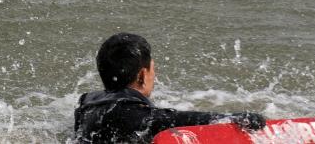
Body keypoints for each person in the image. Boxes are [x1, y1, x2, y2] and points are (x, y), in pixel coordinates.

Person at [74, 32, 266, 143]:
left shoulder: (86, 104)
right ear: (142, 75)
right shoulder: (134, 115)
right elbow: (177, 119)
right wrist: (235, 118)